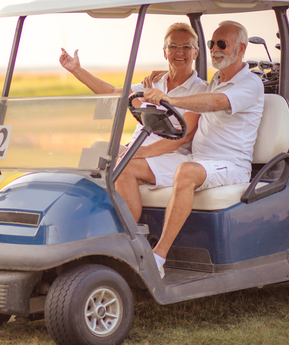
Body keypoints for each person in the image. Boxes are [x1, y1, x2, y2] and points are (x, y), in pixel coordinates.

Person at [116, 20, 264, 278]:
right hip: (201, 159)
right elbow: (186, 80)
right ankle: (124, 244)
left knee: (185, 172)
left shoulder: (250, 84)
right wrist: (162, 75)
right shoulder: (216, 79)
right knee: (121, 163)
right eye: (211, 44)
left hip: (231, 164)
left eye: (221, 44)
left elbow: (216, 103)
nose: (215, 50)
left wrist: (169, 99)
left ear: (241, 49)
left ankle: (157, 258)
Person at [59, 22, 207, 172]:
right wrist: (76, 70)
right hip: (136, 149)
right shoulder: (154, 82)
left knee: (123, 166)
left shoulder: (199, 89)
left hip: (169, 157)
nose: (179, 52)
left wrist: (142, 152)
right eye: (173, 47)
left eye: (186, 47)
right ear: (165, 52)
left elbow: (185, 136)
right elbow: (112, 93)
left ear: (196, 53)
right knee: (96, 150)